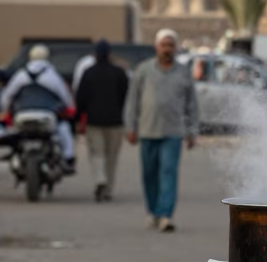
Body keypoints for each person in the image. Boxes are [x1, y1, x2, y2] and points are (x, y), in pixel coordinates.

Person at [125, 28, 198, 232]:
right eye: (163, 45)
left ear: (176, 48)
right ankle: (153, 212)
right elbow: (133, 101)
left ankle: (166, 215)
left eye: (171, 45)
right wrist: (131, 127)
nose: (167, 49)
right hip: (147, 130)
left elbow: (191, 105)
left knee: (168, 172)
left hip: (173, 132)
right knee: (149, 174)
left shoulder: (183, 72)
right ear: (157, 47)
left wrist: (192, 132)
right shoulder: (143, 70)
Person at [0, 44, 75, 169]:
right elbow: (65, 96)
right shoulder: (52, 75)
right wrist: (70, 109)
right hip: (47, 116)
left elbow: (8, 96)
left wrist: (7, 110)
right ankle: (68, 158)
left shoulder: (21, 75)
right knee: (64, 129)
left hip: (22, 115)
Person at [75, 40, 129, 201]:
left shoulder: (88, 72)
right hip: (116, 121)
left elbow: (81, 98)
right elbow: (126, 96)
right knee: (112, 156)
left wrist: (78, 119)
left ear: (95, 55)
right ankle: (109, 190)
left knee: (97, 153)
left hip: (94, 120)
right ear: (110, 54)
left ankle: (100, 180)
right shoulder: (120, 73)